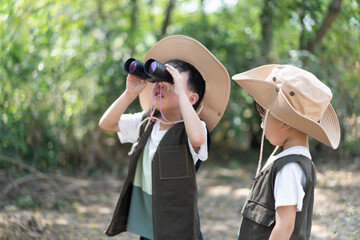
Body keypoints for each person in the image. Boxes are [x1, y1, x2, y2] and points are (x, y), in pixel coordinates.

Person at [99, 35, 230, 240]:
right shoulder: (148, 123)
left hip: (179, 229)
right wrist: (129, 93)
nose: (161, 85)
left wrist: (179, 92)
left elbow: (197, 138)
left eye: (172, 83)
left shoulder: (194, 130)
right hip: (150, 226)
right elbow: (107, 124)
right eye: (161, 81)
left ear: (192, 98)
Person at [232, 64, 341, 240]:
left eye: (263, 118)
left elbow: (284, 227)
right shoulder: (287, 160)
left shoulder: (290, 167)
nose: (261, 125)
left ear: (285, 121)